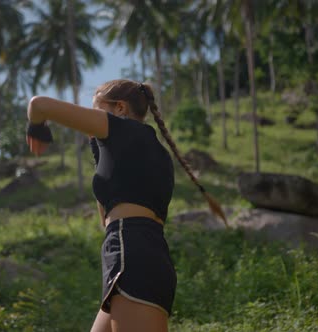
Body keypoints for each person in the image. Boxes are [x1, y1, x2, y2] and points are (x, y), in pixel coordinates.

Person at [25, 79, 227, 332]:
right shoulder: (158, 154)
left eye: (97, 110)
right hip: (144, 253)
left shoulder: (120, 130)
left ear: (120, 108)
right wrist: (100, 150)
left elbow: (39, 105)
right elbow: (106, 215)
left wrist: (36, 126)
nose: (93, 119)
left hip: (129, 253)